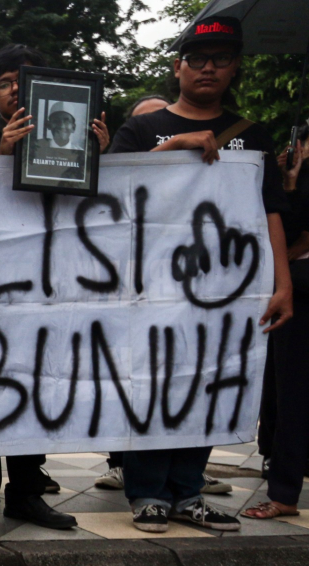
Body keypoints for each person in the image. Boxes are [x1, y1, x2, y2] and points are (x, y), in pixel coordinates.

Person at [109, 14, 294, 533]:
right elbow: (113, 195)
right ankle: (146, 491)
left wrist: (282, 284)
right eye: (197, 59)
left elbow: (270, 212)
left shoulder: (253, 135)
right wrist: (169, 150)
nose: (208, 68)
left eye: (220, 59)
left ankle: (189, 490)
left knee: (210, 382)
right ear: (178, 67)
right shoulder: (142, 129)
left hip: (228, 288)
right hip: (152, 288)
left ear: (235, 68)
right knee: (153, 383)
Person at [0, 44, 108, 534]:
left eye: (25, 79)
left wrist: (102, 154)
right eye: (3, 83)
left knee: (33, 385)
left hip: (48, 282)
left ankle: (26, 492)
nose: (15, 88)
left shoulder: (70, 133)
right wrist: (1, 156)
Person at [96, 92, 231, 498]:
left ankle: (185, 482)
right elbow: (119, 186)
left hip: (197, 285)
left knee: (195, 382)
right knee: (144, 384)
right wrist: (171, 148)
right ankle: (143, 480)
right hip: (141, 287)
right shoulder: (140, 140)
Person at [245, 122, 309, 520]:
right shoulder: (298, 171)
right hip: (300, 291)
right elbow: (286, 231)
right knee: (291, 393)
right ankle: (284, 489)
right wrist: (288, 182)